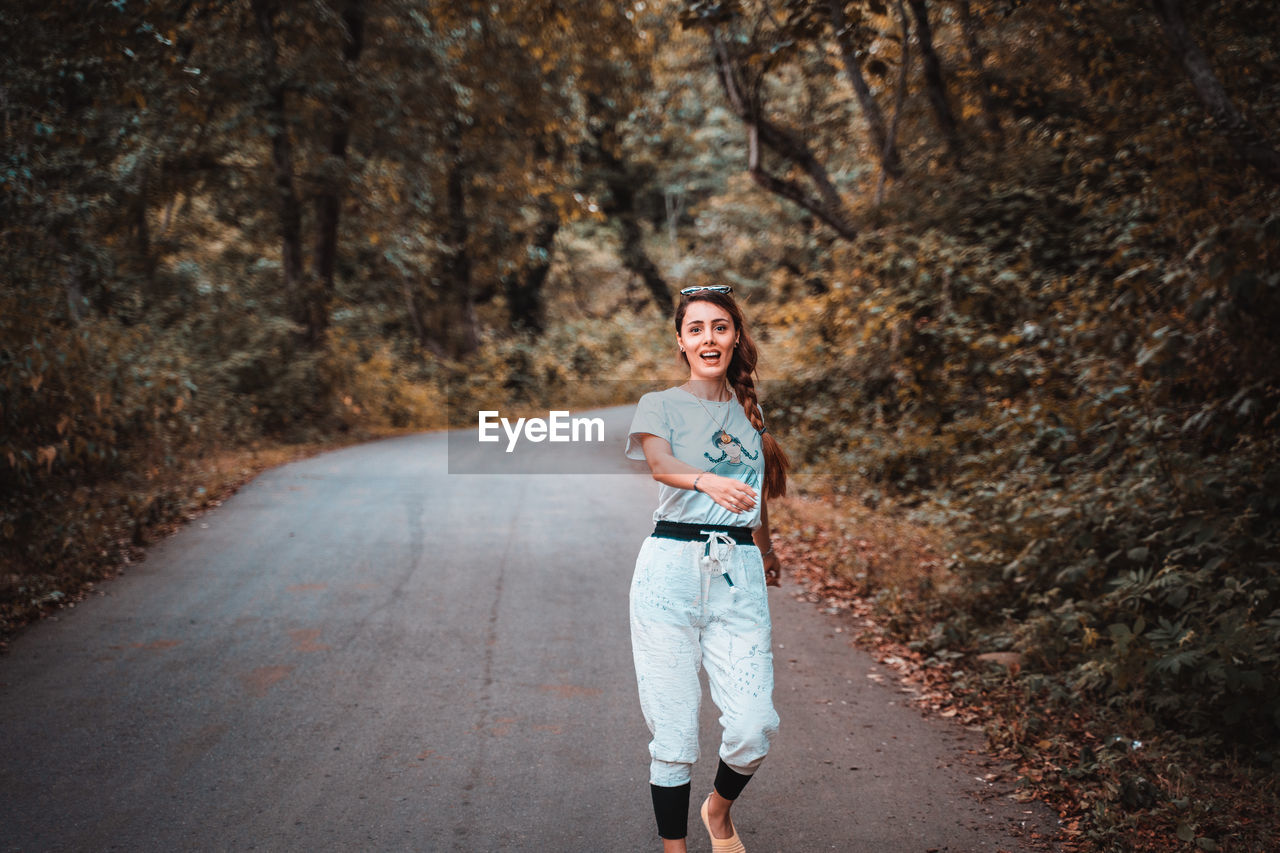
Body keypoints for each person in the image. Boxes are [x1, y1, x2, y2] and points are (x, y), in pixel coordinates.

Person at [624, 284, 790, 853]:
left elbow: (756, 497)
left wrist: (765, 552)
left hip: (737, 573)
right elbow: (660, 463)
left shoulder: (751, 412)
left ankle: (718, 810)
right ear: (681, 341)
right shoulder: (660, 404)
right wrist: (706, 480)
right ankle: (677, 849)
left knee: (754, 727)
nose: (708, 338)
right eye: (696, 329)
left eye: (719, 326)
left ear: (735, 336)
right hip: (668, 571)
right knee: (673, 735)